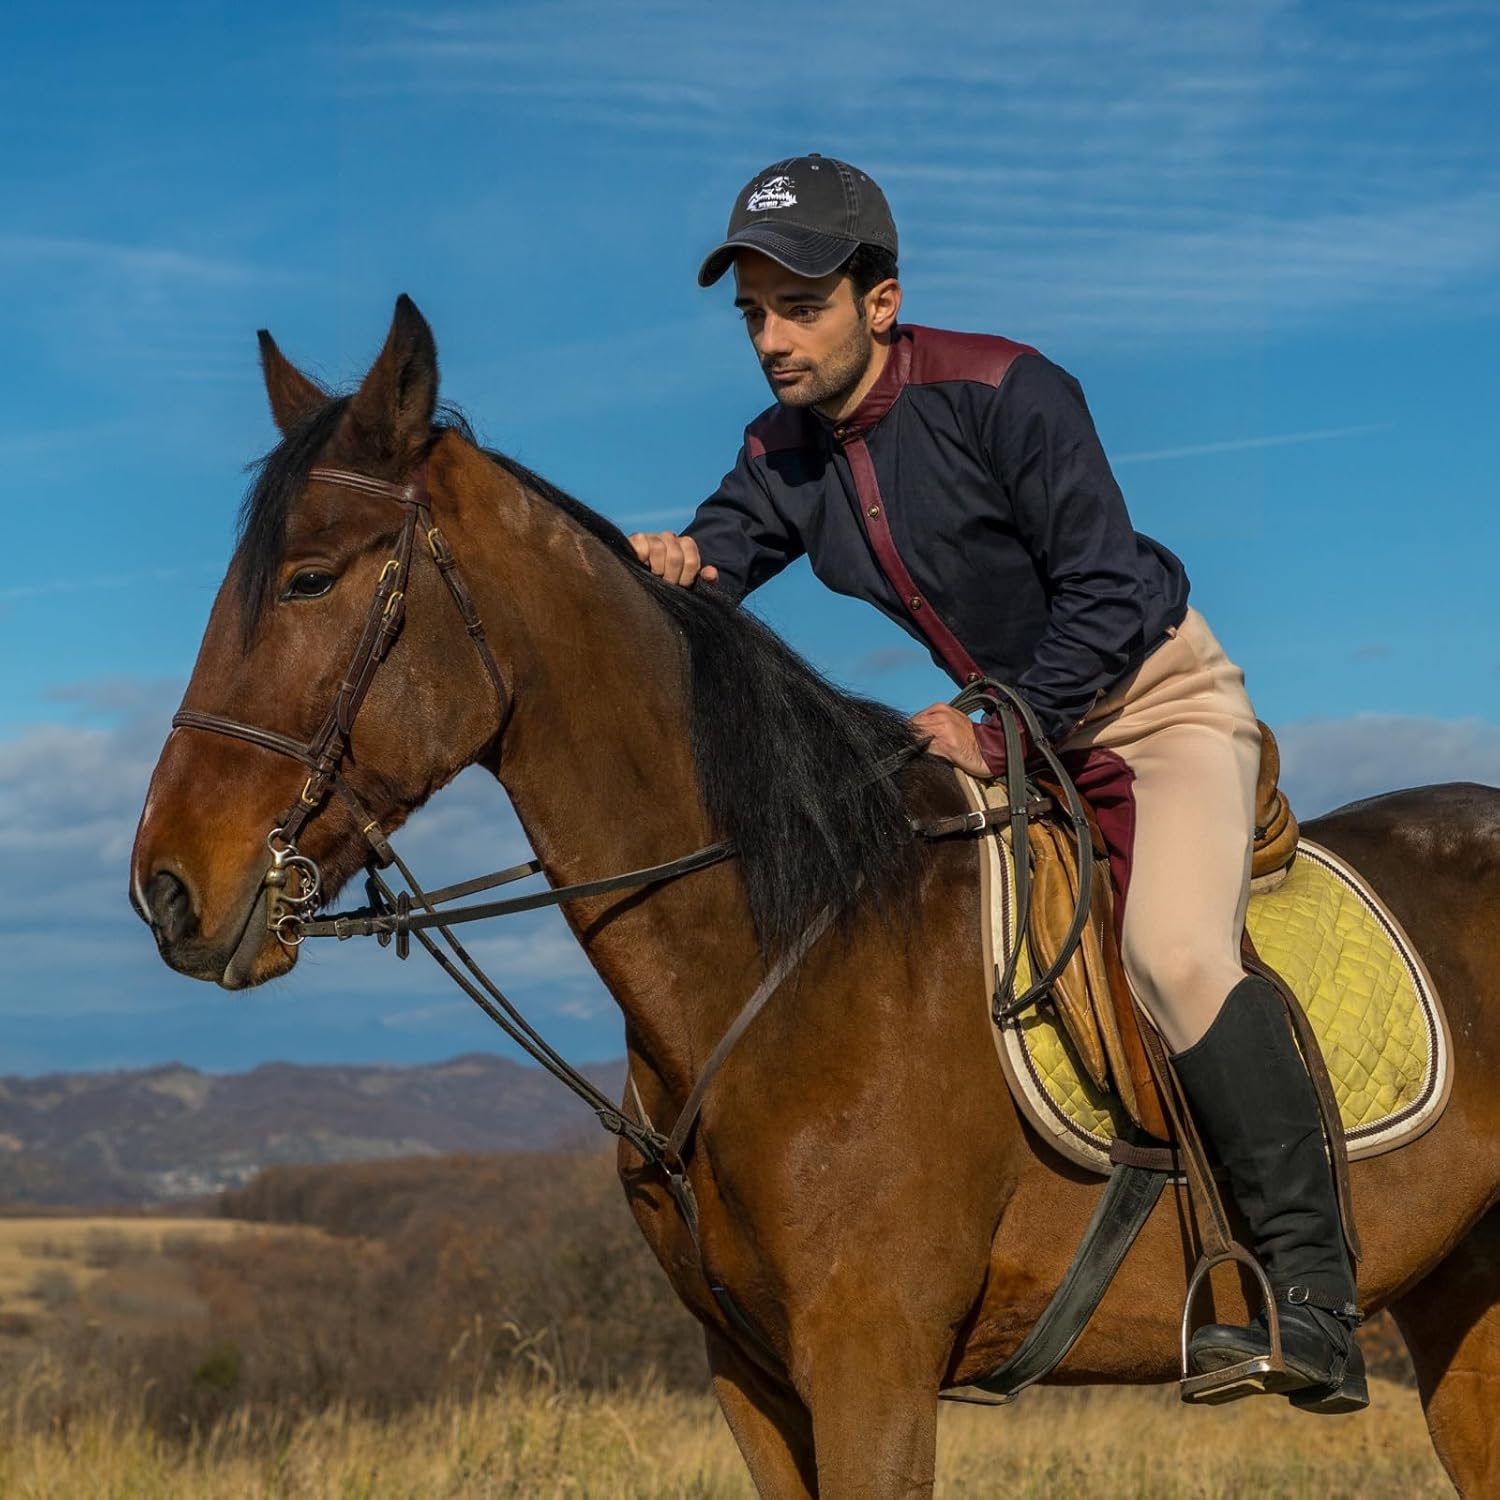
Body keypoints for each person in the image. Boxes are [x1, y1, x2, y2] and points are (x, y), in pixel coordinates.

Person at [629, 154, 1363, 1409]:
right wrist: (672, 562)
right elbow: (726, 551)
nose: (770, 337)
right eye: (750, 310)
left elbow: (1106, 597)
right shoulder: (782, 448)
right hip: (1008, 737)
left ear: (880, 300)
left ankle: (1314, 1298)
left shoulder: (1012, 390)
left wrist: (992, 723)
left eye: (797, 303)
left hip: (1148, 707)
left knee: (1178, 954)